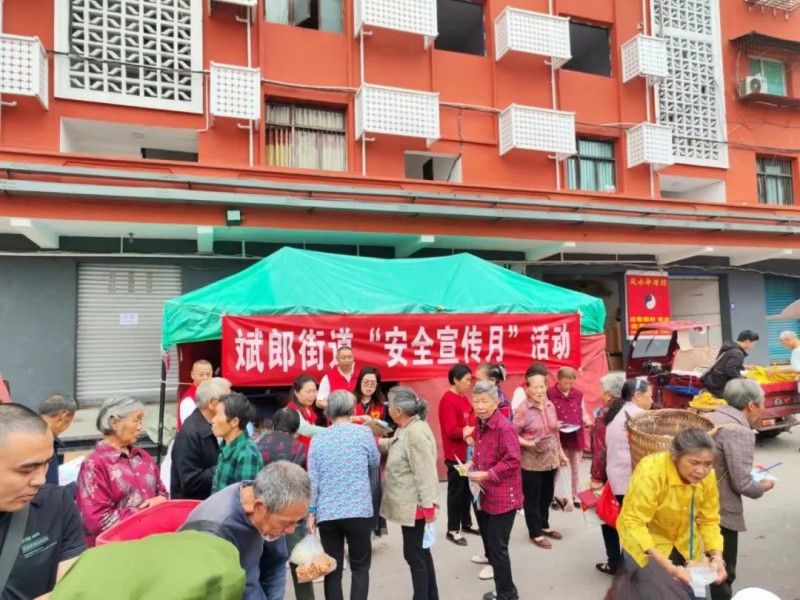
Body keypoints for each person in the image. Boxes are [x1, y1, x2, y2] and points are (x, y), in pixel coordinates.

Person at [616, 430, 726, 594]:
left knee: (693, 594)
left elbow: (708, 520)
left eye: (707, 464)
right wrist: (669, 568)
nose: (701, 471)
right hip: (648, 546)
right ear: (674, 456)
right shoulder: (651, 471)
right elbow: (634, 522)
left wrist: (717, 557)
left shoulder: (708, 477)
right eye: (694, 463)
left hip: (686, 545)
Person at [182, 462, 312, 600]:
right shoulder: (215, 530)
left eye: (297, 521)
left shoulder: (269, 502)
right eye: (286, 523)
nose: (291, 530)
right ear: (259, 507)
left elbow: (276, 562)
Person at [0, 404, 85, 599]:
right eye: (26, 470)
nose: (40, 480)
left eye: (47, 463)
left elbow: (74, 586)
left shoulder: (56, 504)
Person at [307, 390, 380, 600]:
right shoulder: (363, 433)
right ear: (351, 409)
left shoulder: (318, 439)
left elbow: (313, 480)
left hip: (328, 513)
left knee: (332, 568)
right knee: (360, 566)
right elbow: (374, 461)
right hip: (358, 510)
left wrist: (311, 513)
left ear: (328, 412)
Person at [708, 379, 774, 600]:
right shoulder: (739, 431)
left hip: (697, 505)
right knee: (721, 572)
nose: (763, 408)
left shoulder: (711, 416)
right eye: (762, 403)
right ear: (751, 405)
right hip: (720, 511)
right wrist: (763, 486)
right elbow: (742, 483)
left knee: (703, 565)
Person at [76, 395, 167, 546]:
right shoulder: (94, 465)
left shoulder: (142, 457)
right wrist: (146, 512)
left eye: (141, 421)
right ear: (114, 423)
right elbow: (98, 520)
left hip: (150, 544)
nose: (140, 427)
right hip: (116, 549)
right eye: (136, 420)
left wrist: (161, 500)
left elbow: (162, 492)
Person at [379, 387, 440, 600]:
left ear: (398, 410)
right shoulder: (406, 427)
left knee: (415, 556)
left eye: (389, 404)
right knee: (421, 554)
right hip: (413, 506)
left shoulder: (415, 433)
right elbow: (394, 444)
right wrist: (373, 441)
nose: (387, 408)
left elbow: (425, 472)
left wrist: (428, 507)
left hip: (416, 507)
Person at [468, 381, 523, 600]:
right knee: (493, 545)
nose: (480, 406)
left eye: (485, 401)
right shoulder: (481, 422)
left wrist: (487, 474)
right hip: (486, 492)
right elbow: (480, 449)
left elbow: (513, 460)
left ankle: (507, 594)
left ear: (496, 401)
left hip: (504, 496)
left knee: (498, 548)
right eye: (476, 401)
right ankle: (505, 590)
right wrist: (471, 463)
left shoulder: (504, 427)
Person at [257, 408, 313, 600]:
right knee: (299, 562)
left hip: (264, 511)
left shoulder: (258, 443)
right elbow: (305, 483)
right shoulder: (299, 447)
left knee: (263, 563)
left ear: (274, 424)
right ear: (296, 427)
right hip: (291, 514)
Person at [600, 378, 654, 575]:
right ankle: (631, 573)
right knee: (635, 527)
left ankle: (620, 566)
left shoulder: (619, 414)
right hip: (632, 481)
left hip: (617, 480)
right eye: (650, 396)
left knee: (625, 523)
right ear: (637, 396)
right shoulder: (639, 417)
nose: (652, 401)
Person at [513, 373, 568, 550]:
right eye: (535, 387)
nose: (539, 391)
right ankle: (535, 533)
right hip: (531, 462)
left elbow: (554, 432)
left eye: (542, 386)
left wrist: (561, 454)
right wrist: (527, 443)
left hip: (550, 460)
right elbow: (512, 434)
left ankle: (544, 525)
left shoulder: (550, 405)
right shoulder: (522, 409)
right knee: (532, 498)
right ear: (527, 389)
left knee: (546, 495)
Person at [438, 363, 480, 547]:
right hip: (456, 456)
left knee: (467, 490)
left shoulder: (463, 398)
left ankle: (466, 523)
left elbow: (470, 422)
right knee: (457, 492)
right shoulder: (448, 400)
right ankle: (453, 529)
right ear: (455, 380)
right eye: (466, 380)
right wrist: (466, 432)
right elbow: (450, 430)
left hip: (467, 453)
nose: (469, 383)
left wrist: (470, 432)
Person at [171, 377, 230, 500]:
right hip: (194, 507)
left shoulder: (212, 426)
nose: (231, 404)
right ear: (212, 403)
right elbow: (190, 482)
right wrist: (224, 467)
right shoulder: (190, 433)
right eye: (227, 400)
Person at [589, 374, 625, 576]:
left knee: (608, 516)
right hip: (633, 475)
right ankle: (630, 564)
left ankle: (614, 562)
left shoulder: (605, 413)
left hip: (611, 475)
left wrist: (596, 477)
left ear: (609, 394)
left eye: (602, 392)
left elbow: (600, 450)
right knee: (631, 519)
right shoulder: (631, 409)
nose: (600, 396)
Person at [547, 367, 591, 509]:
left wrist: (586, 420)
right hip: (557, 436)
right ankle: (555, 497)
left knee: (576, 467)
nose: (568, 386)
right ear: (559, 380)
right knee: (556, 467)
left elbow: (583, 411)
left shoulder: (578, 394)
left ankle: (575, 495)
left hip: (575, 435)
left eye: (571, 383)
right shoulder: (549, 394)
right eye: (565, 383)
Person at [211, 393, 263, 494]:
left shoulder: (247, 454)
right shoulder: (226, 446)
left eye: (219, 414)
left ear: (234, 422)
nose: (213, 420)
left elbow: (244, 499)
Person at [702, 330, 759, 399]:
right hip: (719, 387)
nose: (753, 346)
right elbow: (730, 371)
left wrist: (745, 367)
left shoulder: (729, 347)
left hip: (712, 382)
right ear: (747, 342)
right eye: (753, 343)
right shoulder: (738, 353)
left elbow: (725, 364)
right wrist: (745, 379)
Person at [38, 393, 77, 486]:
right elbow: (49, 487)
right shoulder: (47, 442)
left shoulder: (26, 430)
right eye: (69, 422)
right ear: (63, 417)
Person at [288, 375, 327, 449]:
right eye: (308, 392)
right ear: (296, 393)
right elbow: (306, 429)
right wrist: (332, 431)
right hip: (297, 453)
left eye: (314, 391)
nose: (312, 395)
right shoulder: (291, 410)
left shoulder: (308, 408)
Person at [178, 359, 213, 430]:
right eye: (201, 375)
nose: (205, 378)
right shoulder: (188, 400)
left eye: (208, 374)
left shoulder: (212, 394)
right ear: (192, 375)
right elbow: (191, 429)